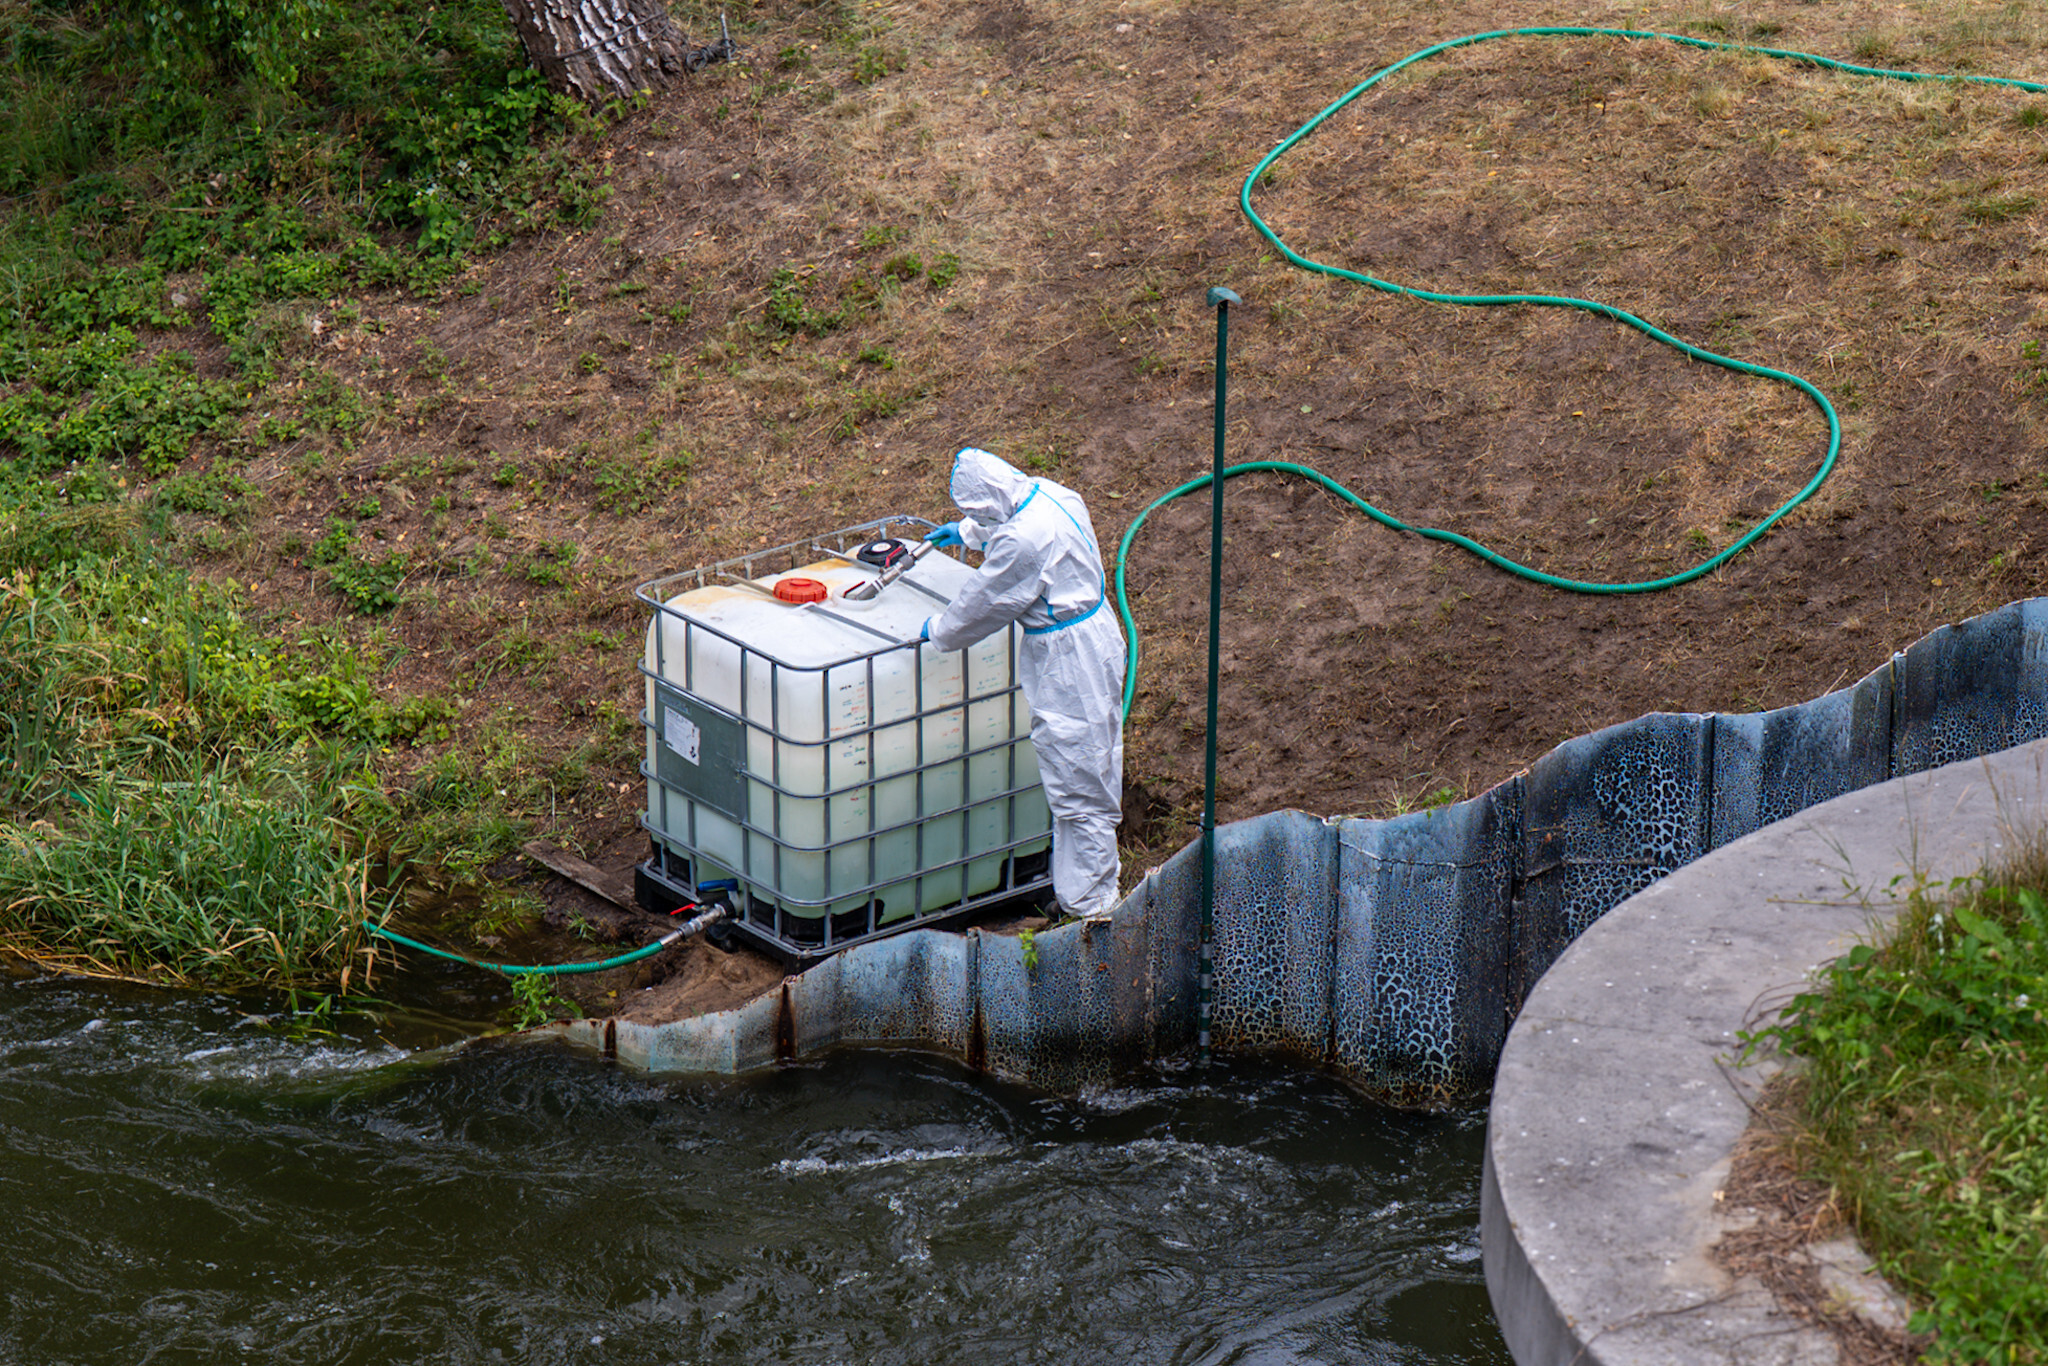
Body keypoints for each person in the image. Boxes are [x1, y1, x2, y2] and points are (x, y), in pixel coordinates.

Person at [917, 447, 1126, 924]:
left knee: (1079, 779)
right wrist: (969, 535)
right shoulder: (1053, 493)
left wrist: (940, 629)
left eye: (973, 513)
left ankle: (1092, 909)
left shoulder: (1022, 545)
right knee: (1082, 766)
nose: (974, 518)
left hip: (1069, 662)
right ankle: (1078, 887)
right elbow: (1013, 524)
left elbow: (987, 600)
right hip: (1091, 635)